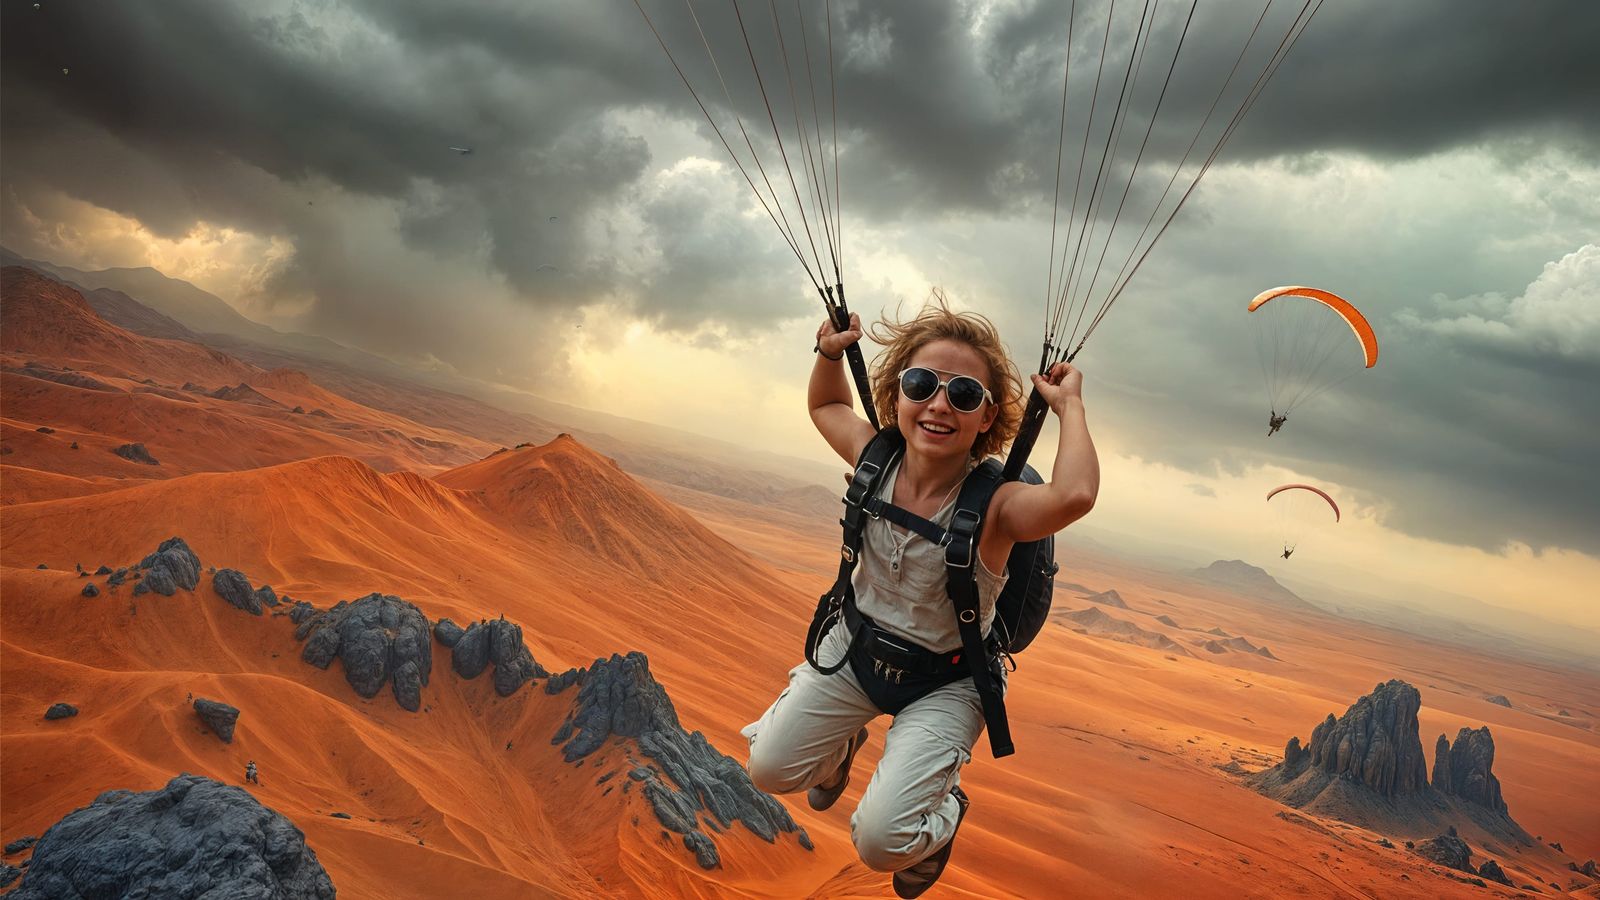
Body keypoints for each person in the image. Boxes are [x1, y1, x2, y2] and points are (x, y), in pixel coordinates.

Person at [743, 296, 1099, 898]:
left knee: (881, 843)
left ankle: (945, 812)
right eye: (921, 384)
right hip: (856, 650)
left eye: (963, 394)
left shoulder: (998, 508)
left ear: (987, 417)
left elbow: (1074, 495)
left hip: (947, 680)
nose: (939, 403)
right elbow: (827, 405)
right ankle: (839, 748)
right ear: (897, 394)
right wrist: (828, 355)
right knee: (768, 770)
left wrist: (1070, 408)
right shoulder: (874, 459)